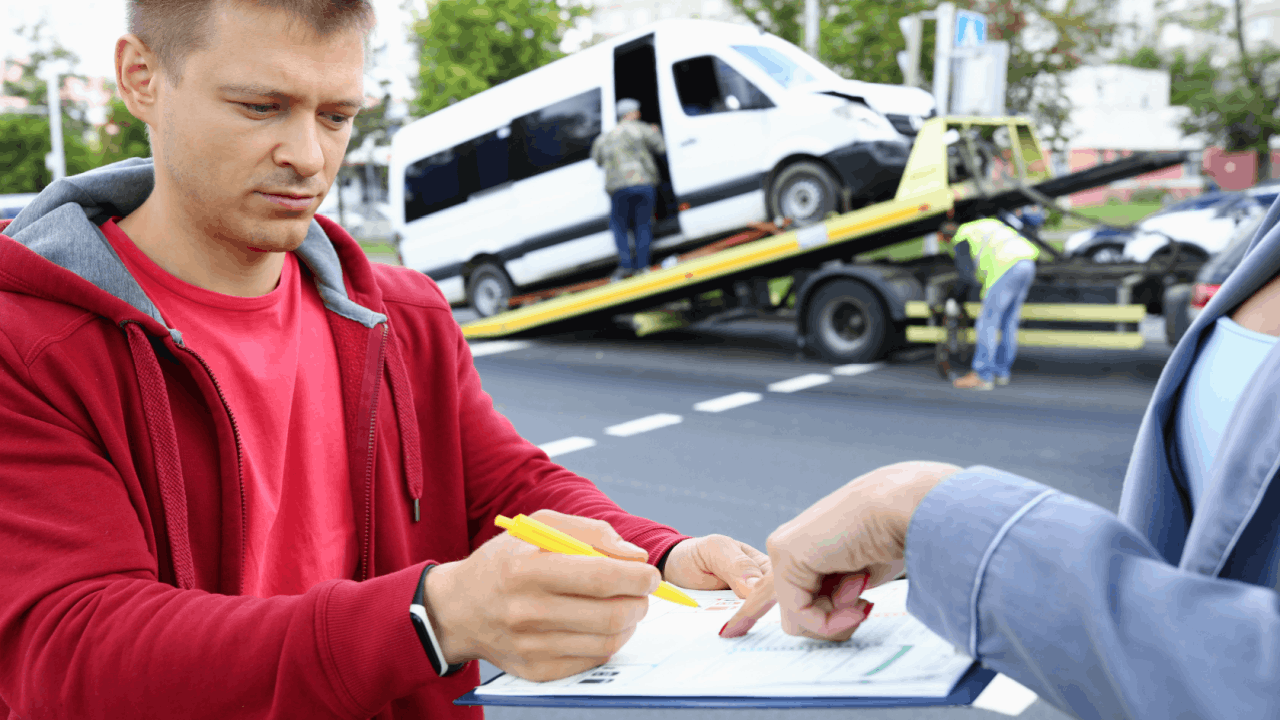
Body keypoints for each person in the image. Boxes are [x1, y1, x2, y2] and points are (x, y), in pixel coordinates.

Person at [0, 3, 769, 719]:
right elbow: (70, 652)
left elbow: (505, 485)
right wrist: (430, 620)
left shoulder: (404, 316)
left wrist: (663, 555)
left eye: (337, 117)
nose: (307, 157)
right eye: (260, 107)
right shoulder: (25, 340)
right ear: (142, 78)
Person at [723, 197, 1280, 719]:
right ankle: (996, 370)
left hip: (1005, 273)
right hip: (1024, 267)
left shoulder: (967, 233)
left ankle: (982, 372)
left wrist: (922, 510)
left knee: (989, 320)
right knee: (1004, 322)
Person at [939, 217, 1041, 390]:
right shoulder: (981, 225)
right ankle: (1001, 373)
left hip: (1005, 268)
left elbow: (965, 276)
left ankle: (982, 375)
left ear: (946, 237)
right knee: (1009, 322)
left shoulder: (961, 238)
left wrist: (954, 300)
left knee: (987, 323)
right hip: (1027, 262)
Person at [590, 97, 666, 281]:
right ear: (632, 113)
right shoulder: (641, 129)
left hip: (618, 188)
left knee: (619, 227)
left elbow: (597, 159)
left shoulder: (606, 136)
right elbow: (661, 148)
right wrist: (657, 132)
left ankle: (626, 265)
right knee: (643, 225)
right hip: (642, 183)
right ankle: (643, 266)